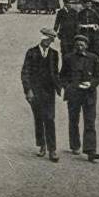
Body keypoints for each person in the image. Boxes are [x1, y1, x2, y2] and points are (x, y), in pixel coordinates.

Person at [21, 28, 63, 162]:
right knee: (38, 118)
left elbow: (55, 72)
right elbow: (25, 72)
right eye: (47, 39)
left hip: (49, 91)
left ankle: (52, 149)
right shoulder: (31, 52)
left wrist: (59, 86)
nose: (48, 42)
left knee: (49, 118)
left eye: (51, 40)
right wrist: (28, 90)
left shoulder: (54, 54)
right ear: (41, 38)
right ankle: (42, 145)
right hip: (35, 90)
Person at [59, 34, 99, 162]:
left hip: (89, 94)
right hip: (73, 94)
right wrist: (68, 87)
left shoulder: (93, 58)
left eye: (82, 44)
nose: (79, 46)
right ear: (74, 46)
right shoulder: (68, 58)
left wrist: (91, 84)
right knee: (73, 120)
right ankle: (75, 145)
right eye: (77, 44)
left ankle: (90, 151)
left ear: (86, 46)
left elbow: (98, 77)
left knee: (90, 122)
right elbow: (62, 76)